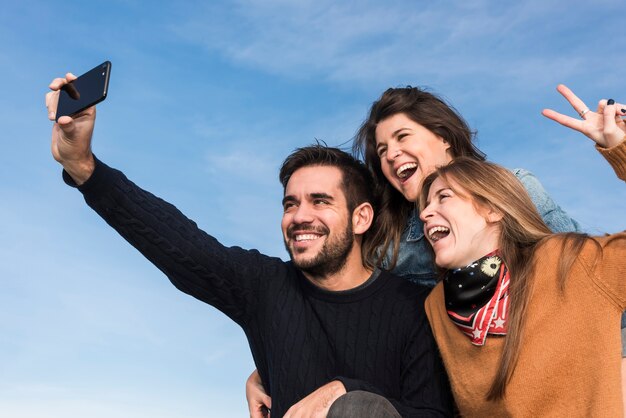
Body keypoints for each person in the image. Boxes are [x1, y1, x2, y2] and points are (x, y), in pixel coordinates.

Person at [46, 73, 454, 417]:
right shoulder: (265, 287)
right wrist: (83, 167)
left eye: (320, 201)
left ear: (361, 217)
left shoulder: (413, 308)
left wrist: (347, 392)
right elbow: (175, 240)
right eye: (290, 204)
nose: (300, 217)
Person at [246, 85, 583, 415]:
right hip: (459, 395)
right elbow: (349, 315)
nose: (390, 154)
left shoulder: (512, 189)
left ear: (444, 137)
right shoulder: (388, 243)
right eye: (381, 150)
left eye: (402, 137)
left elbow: (584, 272)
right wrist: (266, 368)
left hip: (547, 375)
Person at [418, 86, 626, 416]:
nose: (425, 213)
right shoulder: (437, 307)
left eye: (443, 198)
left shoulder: (571, 262)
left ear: (492, 209)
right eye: (425, 206)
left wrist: (620, 147)